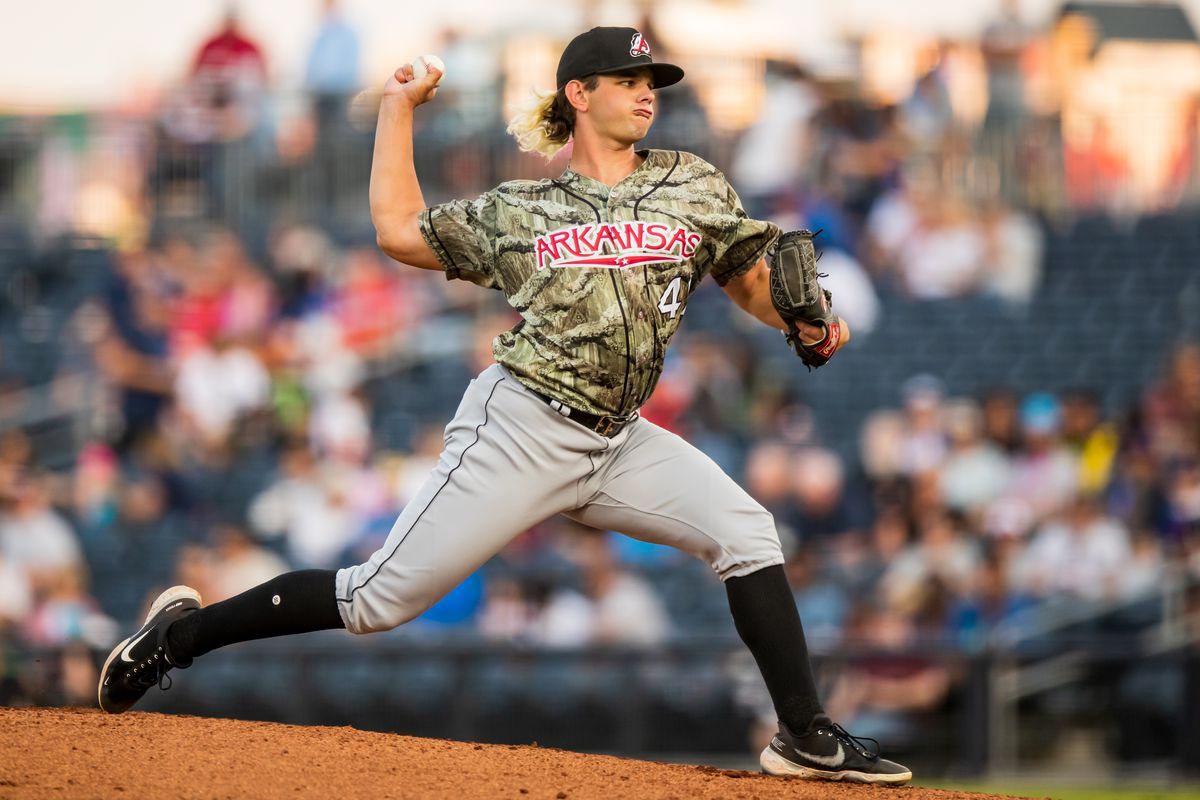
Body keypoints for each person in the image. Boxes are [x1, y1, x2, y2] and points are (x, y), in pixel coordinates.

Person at [97, 27, 910, 785]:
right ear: (579, 95)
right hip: (523, 429)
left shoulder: (691, 184)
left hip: (622, 441)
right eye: (627, 79)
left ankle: (803, 733)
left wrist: (799, 323)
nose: (646, 91)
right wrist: (395, 110)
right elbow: (398, 230)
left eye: (651, 80)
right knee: (375, 600)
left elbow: (747, 277)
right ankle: (176, 637)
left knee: (747, 531)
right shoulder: (523, 212)